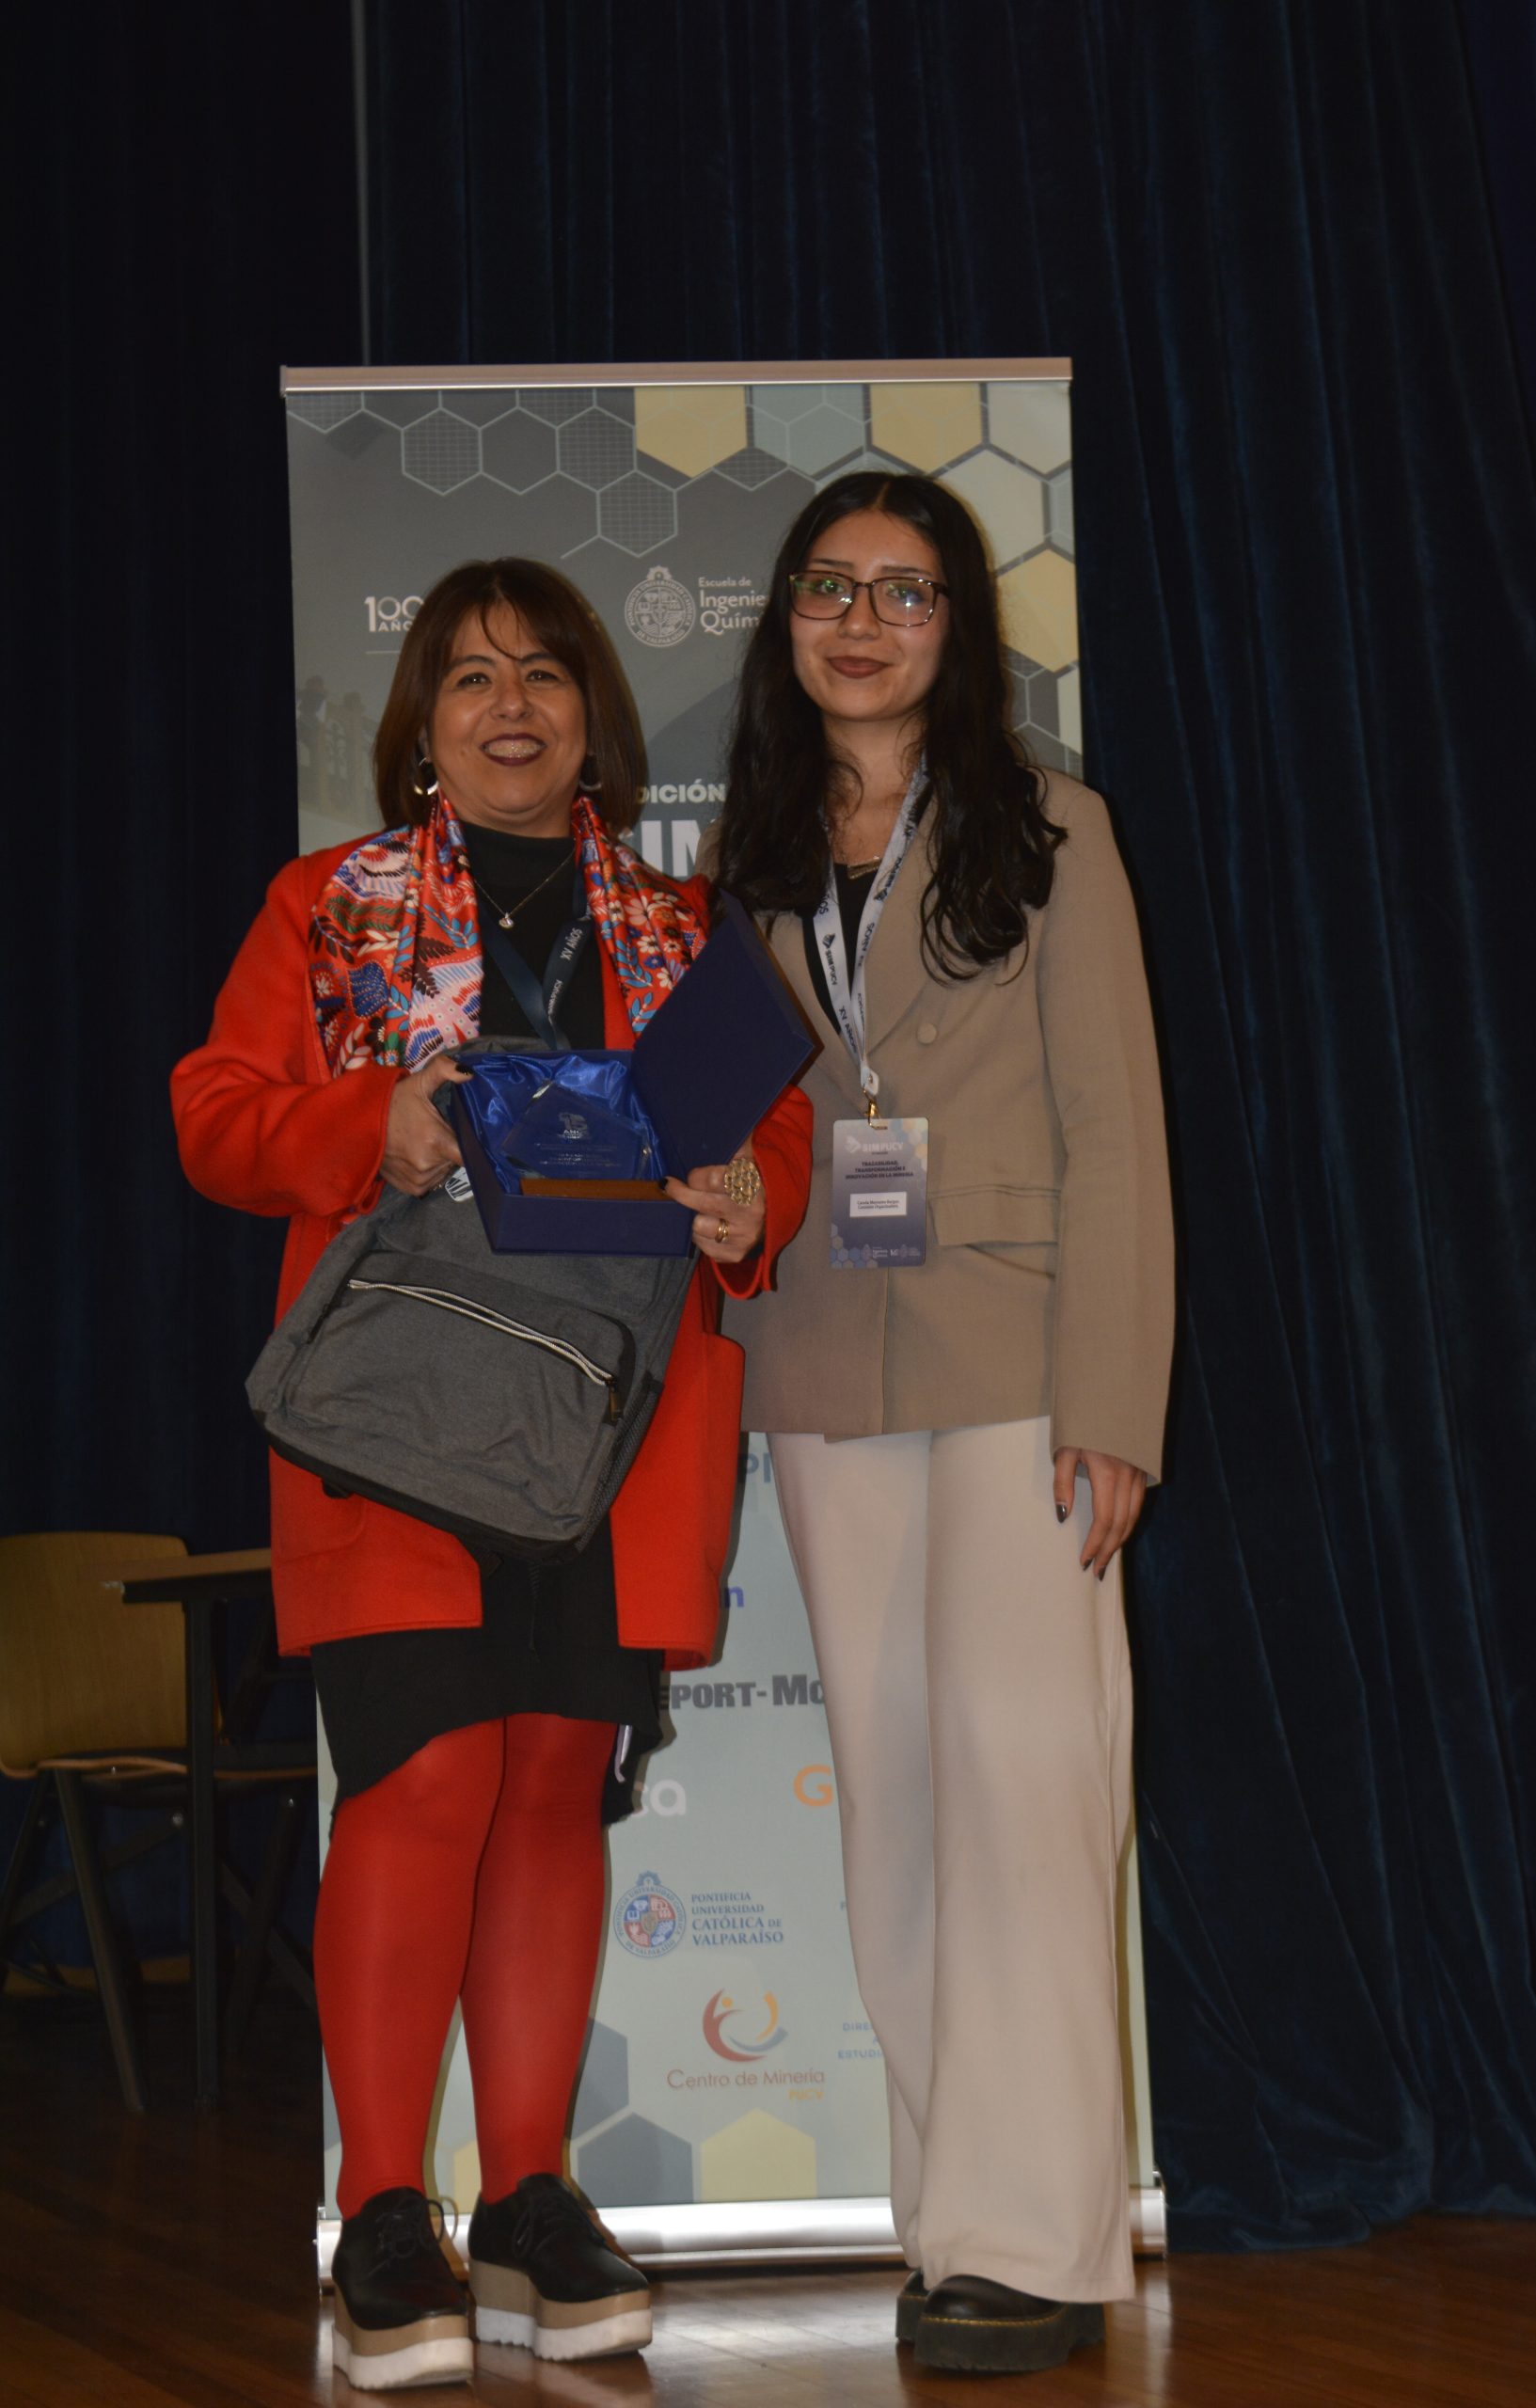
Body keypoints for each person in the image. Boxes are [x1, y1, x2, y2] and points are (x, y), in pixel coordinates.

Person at [172, 558, 810, 2391]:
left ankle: (529, 2193)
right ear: (422, 726)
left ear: (591, 715)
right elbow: (214, 1112)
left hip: (616, 1421)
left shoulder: (683, 926)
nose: (508, 703)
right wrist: (360, 1123)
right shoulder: (327, 906)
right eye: (468, 675)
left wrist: (752, 1193)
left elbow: (769, 1129)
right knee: (427, 1770)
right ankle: (384, 2208)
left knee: (546, 1783)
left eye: (541, 672)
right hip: (399, 1411)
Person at [705, 472, 1174, 2375]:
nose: (860, 621)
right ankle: (949, 2219)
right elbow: (732, 1118)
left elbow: (1115, 1126)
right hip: (824, 1362)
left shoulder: (1052, 825)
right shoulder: (746, 852)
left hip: (1023, 1357)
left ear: (956, 626)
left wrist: (1115, 1397)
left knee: (1024, 1778)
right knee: (894, 1798)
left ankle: (1042, 2236)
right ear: (787, 620)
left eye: (901, 592)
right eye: (829, 586)